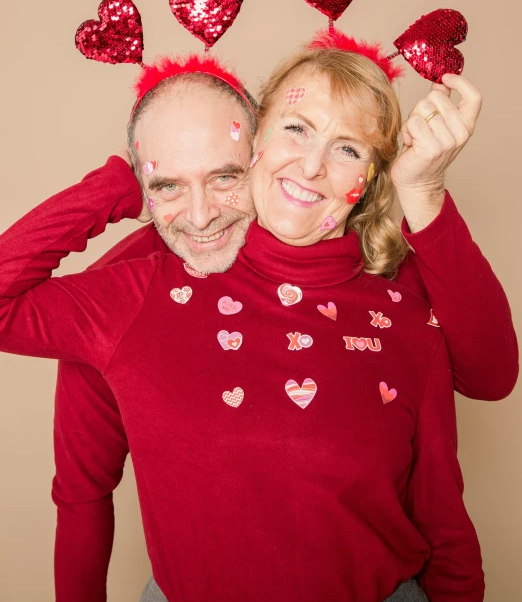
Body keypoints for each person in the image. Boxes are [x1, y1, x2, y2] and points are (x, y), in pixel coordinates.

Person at [0, 35, 517, 601]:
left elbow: (446, 515)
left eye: (350, 149)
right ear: (255, 143)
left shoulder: (408, 309)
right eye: (296, 129)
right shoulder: (143, 285)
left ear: (372, 177)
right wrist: (123, 182)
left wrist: (424, 190)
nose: (314, 165)